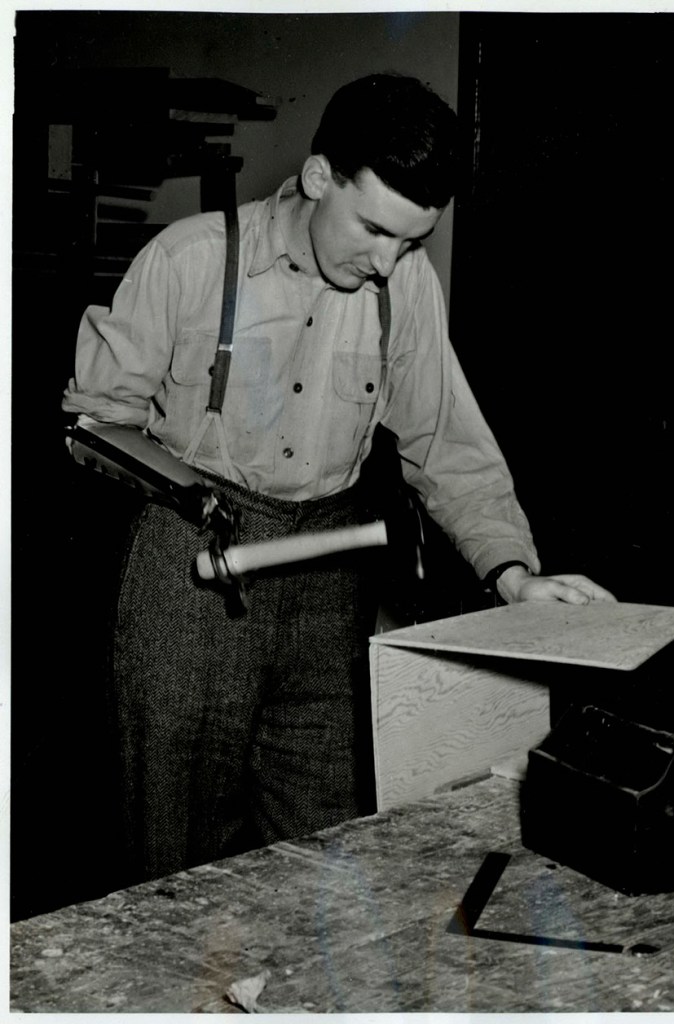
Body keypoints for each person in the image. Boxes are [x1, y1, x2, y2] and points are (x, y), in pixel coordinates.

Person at [62, 73, 615, 884]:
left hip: (328, 568)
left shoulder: (405, 286)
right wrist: (189, 496)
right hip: (193, 560)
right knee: (173, 851)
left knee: (325, 838)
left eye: (410, 241)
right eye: (374, 230)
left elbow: (447, 444)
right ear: (320, 178)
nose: (388, 263)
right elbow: (94, 423)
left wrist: (514, 576)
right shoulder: (189, 260)